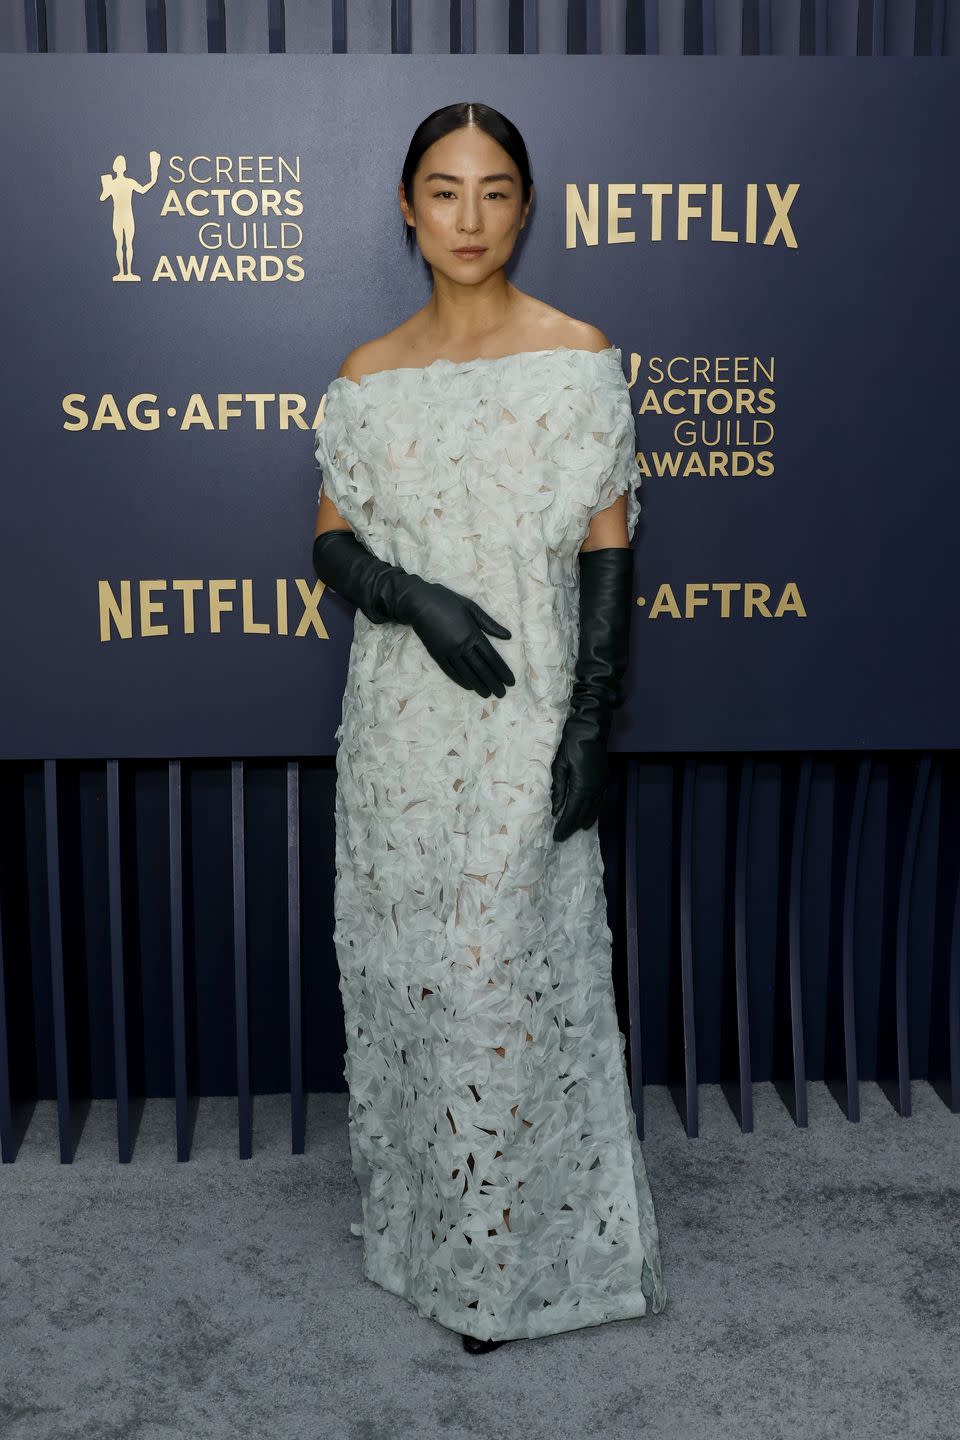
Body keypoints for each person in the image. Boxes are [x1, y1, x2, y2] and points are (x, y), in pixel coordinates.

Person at [311, 102, 666, 1353]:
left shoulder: (578, 356)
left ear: (528, 206)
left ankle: (512, 1266)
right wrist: (410, 598)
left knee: (504, 977)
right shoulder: (367, 372)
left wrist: (588, 721)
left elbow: (607, 545)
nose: (471, 217)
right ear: (408, 208)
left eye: (496, 190)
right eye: (445, 191)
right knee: (414, 979)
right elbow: (329, 535)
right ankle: (428, 1233)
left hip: (524, 721)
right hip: (401, 722)